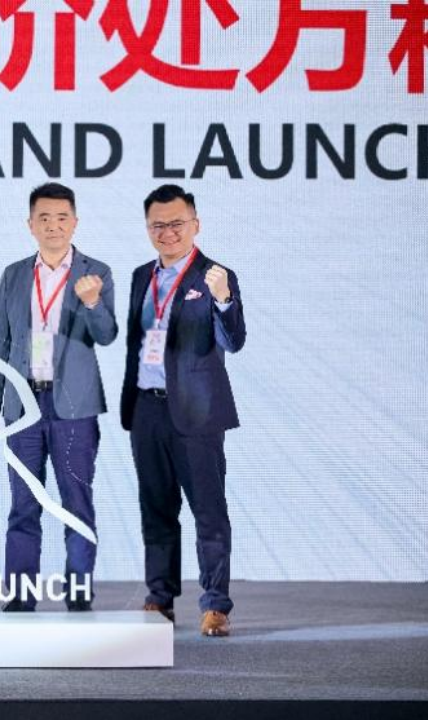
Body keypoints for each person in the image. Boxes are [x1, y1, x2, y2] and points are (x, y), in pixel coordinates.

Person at [0, 182, 117, 612]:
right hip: (22, 404)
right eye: (44, 218)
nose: (53, 226)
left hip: (75, 408)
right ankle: (20, 597)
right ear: (30, 224)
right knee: (23, 505)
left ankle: (78, 594)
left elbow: (107, 335)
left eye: (61, 218)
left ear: (74, 222)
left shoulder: (96, 272)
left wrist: (93, 303)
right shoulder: (14, 274)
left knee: (76, 502)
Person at [121, 184, 246, 637]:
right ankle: (160, 598)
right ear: (148, 228)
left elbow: (234, 340)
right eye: (158, 225)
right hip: (146, 409)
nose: (167, 232)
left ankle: (215, 605)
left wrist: (224, 299)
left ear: (195, 224)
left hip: (197, 412)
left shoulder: (215, 276)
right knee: (156, 509)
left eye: (177, 223)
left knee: (208, 511)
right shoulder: (141, 276)